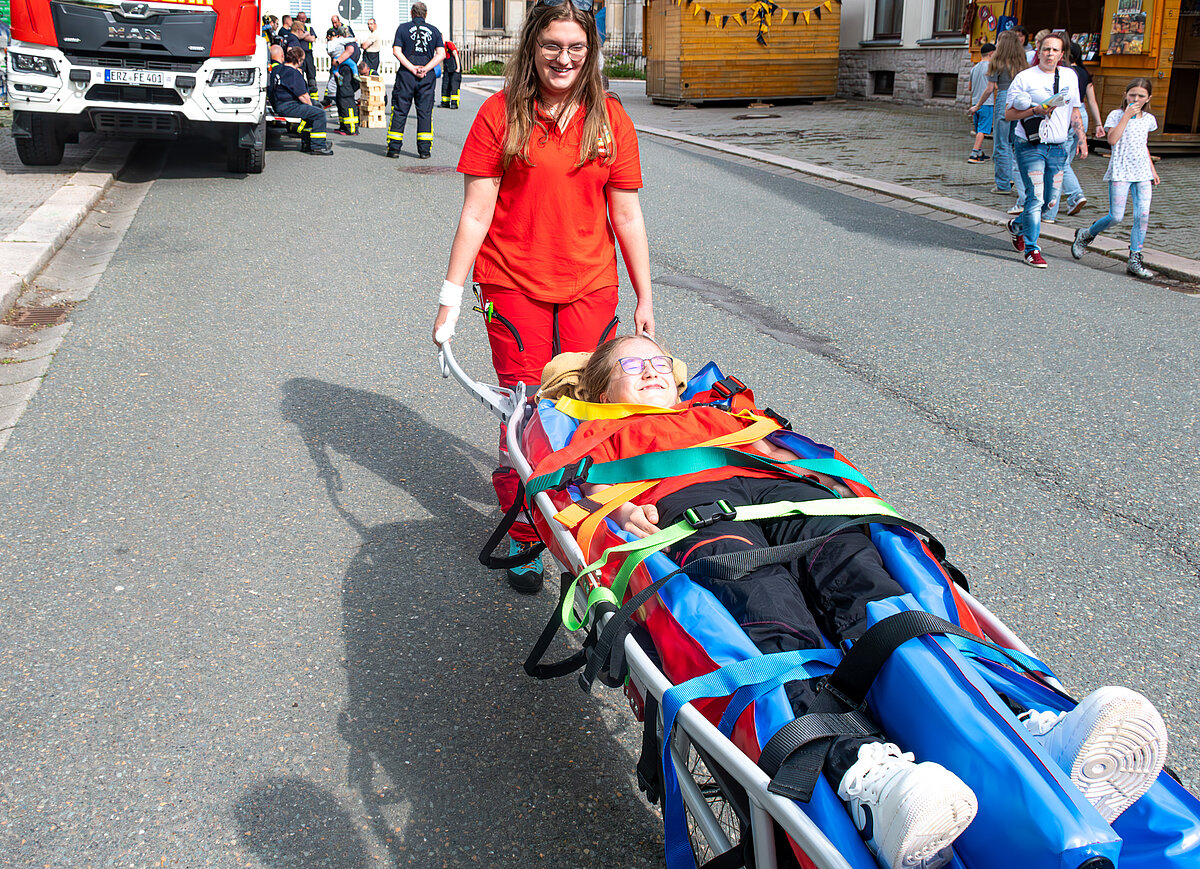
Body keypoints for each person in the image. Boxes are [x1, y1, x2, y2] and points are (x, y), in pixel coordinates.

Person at [551, 333, 1169, 867]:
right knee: (770, 614)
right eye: (633, 364)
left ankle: (1016, 727)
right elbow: (578, 497)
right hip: (697, 516)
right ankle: (866, 775)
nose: (652, 369)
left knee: (871, 593)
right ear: (603, 388)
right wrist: (621, 515)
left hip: (791, 499)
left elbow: (796, 453)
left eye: (659, 360)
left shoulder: (723, 411)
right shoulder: (600, 432)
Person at [431, 0, 654, 593]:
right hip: (513, 283)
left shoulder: (609, 118)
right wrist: (450, 299)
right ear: (532, 46)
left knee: (588, 409)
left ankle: (587, 523)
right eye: (552, 45)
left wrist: (644, 296)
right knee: (527, 412)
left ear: (591, 52)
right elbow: (475, 214)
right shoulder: (500, 113)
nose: (563, 58)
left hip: (591, 285)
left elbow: (627, 215)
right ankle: (529, 533)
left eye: (576, 47)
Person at [1004, 31, 1086, 268]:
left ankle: (1017, 226)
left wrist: (1081, 138)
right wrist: (1035, 110)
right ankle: (1032, 249)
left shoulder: (1069, 76)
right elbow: (1008, 114)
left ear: (1062, 54)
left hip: (1059, 146)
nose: (1050, 54)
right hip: (1030, 145)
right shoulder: (1025, 77)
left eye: (1055, 50)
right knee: (1036, 196)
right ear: (1038, 51)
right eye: (1046, 49)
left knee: (1049, 201)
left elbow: (1075, 109)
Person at [1071, 79, 1160, 280]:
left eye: (1141, 96)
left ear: (1148, 98)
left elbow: (1143, 145)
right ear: (1125, 94)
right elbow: (1112, 139)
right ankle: (1086, 234)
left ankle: (1135, 259)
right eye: (1132, 95)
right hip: (1121, 170)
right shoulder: (1116, 115)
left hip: (1142, 172)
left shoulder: (1149, 119)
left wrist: (1152, 170)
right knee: (1116, 216)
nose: (1135, 99)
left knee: (1142, 216)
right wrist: (1127, 116)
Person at [1045, 41, 1106, 221]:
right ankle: (1068, 198)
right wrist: (1098, 124)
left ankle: (1074, 195)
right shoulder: (1084, 73)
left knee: (1060, 163)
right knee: (1064, 162)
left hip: (1067, 116)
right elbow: (1092, 101)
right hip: (1082, 115)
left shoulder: (1063, 73)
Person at [386, 2, 445, 159]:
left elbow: (396, 51)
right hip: (426, 77)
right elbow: (441, 54)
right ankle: (424, 151)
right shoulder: (435, 31)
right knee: (425, 112)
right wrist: (426, 68)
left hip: (406, 75)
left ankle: (394, 149)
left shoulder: (402, 28)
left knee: (400, 110)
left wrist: (412, 68)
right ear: (426, 14)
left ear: (412, 13)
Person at [268, 47, 334, 155]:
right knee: (319, 114)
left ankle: (308, 143)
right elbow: (303, 96)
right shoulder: (293, 73)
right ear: (299, 60)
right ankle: (318, 146)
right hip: (288, 106)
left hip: (281, 104)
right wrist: (311, 107)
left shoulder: (280, 70)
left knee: (314, 109)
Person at [985, 31, 1025, 197]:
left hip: (1004, 97)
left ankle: (1003, 183)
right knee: (1015, 142)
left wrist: (978, 105)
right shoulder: (1023, 63)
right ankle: (1015, 178)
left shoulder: (997, 61)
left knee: (1001, 143)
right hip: (1020, 101)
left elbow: (990, 87)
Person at [326, 29, 362, 134]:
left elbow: (350, 50)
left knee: (346, 99)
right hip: (345, 72)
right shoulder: (349, 42)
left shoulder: (349, 42)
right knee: (340, 99)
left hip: (346, 72)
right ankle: (343, 126)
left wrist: (337, 61)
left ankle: (350, 128)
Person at [966, 43, 995, 164]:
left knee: (978, 129)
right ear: (991, 54)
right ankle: (974, 154)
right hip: (986, 102)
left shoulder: (974, 68)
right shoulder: (991, 67)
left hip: (975, 103)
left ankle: (979, 152)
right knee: (983, 130)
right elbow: (994, 86)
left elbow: (970, 87)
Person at [295, 11, 319, 100]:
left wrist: (302, 36)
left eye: (303, 18)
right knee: (299, 74)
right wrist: (306, 35)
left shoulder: (309, 28)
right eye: (300, 18)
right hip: (299, 54)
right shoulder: (294, 28)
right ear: (297, 19)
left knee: (311, 74)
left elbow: (312, 39)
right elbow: (296, 37)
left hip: (308, 54)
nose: (302, 20)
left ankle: (314, 96)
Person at [440, 39, 462, 109]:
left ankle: (454, 103)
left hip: (454, 68)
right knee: (445, 85)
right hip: (447, 68)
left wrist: (458, 68)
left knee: (454, 86)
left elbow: (455, 55)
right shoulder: (440, 47)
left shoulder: (448, 44)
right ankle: (445, 103)